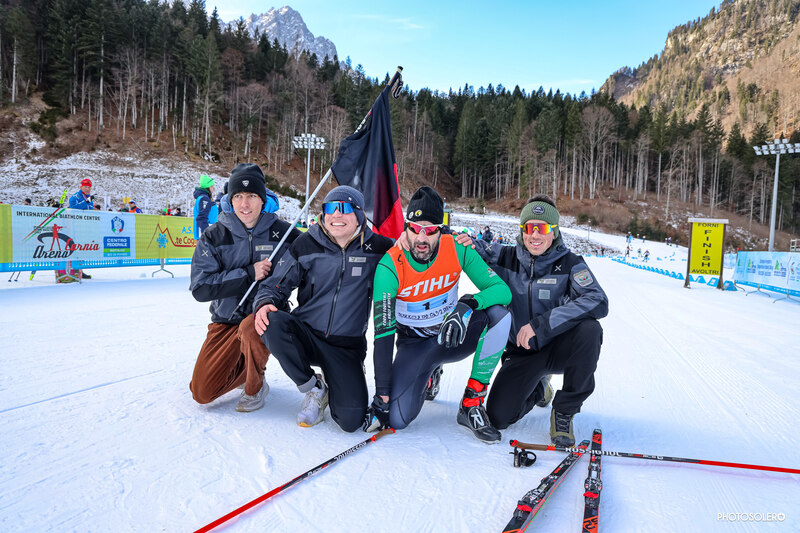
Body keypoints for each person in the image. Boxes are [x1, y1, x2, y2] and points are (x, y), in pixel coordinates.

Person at [455, 194, 608, 447]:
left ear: (554, 231)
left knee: (590, 330)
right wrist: (454, 237)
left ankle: (564, 412)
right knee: (498, 417)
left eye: (542, 228)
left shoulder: (571, 264)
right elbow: (467, 246)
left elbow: (598, 300)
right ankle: (540, 388)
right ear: (522, 230)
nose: (535, 235)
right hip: (521, 352)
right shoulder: (504, 256)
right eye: (529, 228)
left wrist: (542, 325)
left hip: (557, 346)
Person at [366, 186, 512, 443]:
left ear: (441, 230)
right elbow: (383, 334)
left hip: (453, 334)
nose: (422, 238)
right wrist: (382, 396)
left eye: (431, 230)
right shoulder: (390, 265)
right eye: (415, 228)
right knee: (398, 419)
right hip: (415, 344)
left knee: (500, 316)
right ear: (406, 228)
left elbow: (502, 291)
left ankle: (472, 402)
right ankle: (429, 375)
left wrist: (469, 303)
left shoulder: (457, 247)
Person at [253, 185, 394, 432]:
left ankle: (341, 380)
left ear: (359, 214)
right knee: (272, 321)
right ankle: (314, 388)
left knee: (350, 421)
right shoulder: (307, 243)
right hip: (308, 336)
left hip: (345, 345)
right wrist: (264, 302)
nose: (336, 215)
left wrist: (451, 238)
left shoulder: (380, 248)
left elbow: (417, 248)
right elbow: (275, 284)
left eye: (344, 208)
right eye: (330, 208)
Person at [190, 163, 301, 412]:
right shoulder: (214, 235)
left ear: (263, 199)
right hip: (226, 320)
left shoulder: (284, 233)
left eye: (252, 195)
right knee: (202, 393)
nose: (245, 204)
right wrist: (248, 273)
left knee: (251, 327)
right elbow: (200, 288)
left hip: (265, 318)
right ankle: (244, 370)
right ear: (230, 200)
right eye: (238, 196)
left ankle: (255, 385)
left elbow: (316, 256)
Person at [194, 174, 219, 239]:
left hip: (209, 231)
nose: (213, 188)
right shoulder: (204, 199)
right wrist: (206, 235)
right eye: (211, 186)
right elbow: (202, 217)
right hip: (206, 233)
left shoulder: (204, 198)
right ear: (207, 188)